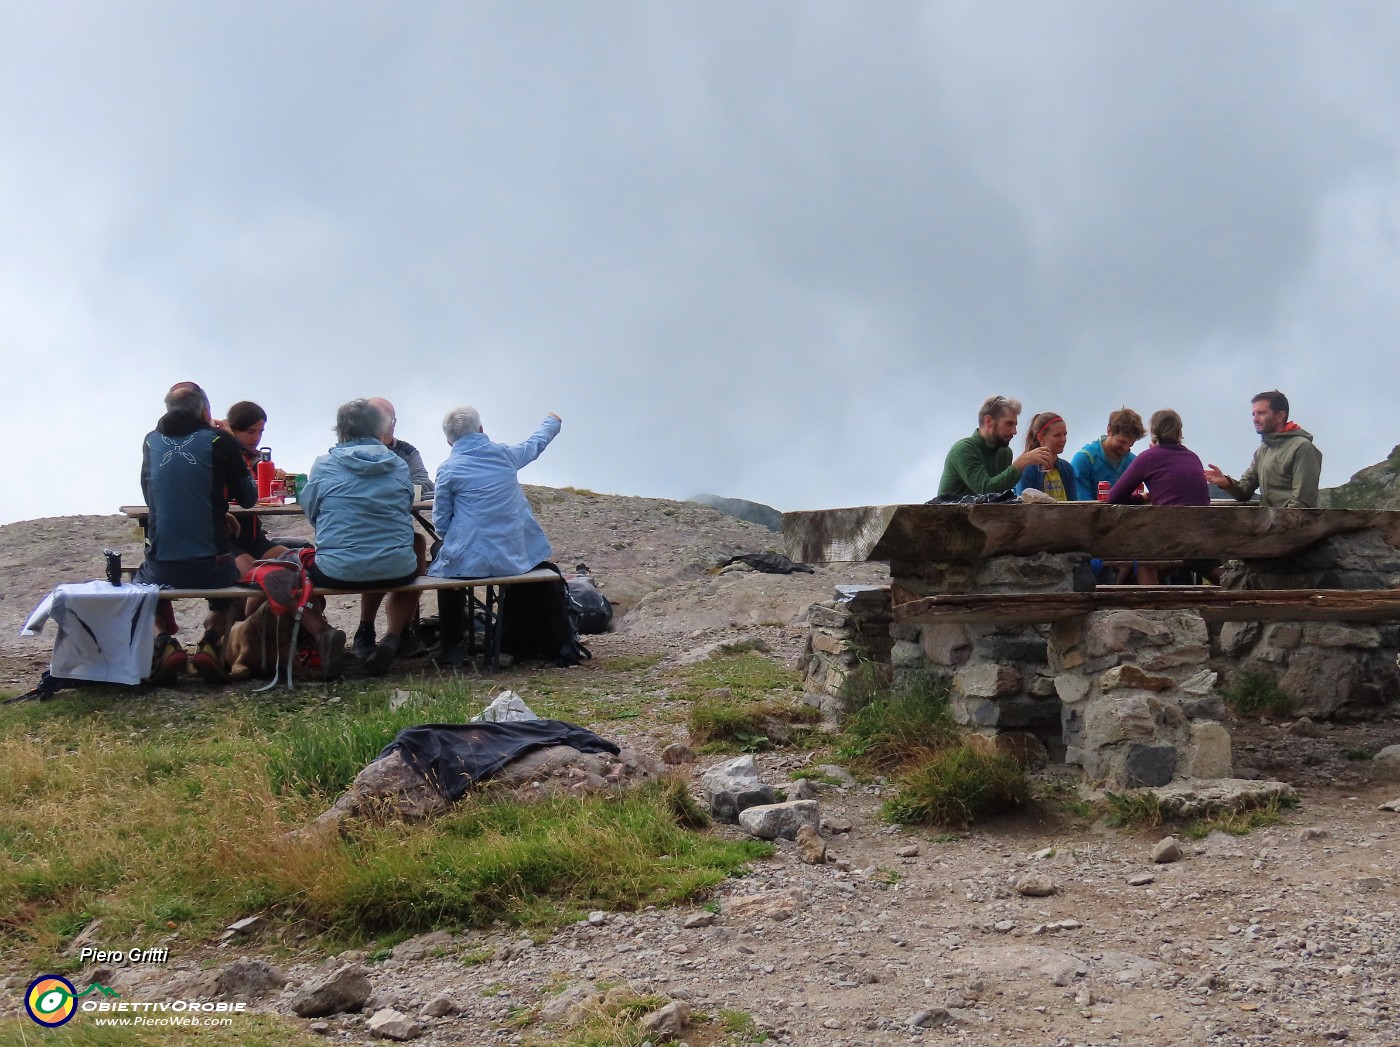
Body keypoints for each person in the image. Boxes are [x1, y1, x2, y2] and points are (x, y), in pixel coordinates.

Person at [136, 382, 257, 683]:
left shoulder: (151, 442)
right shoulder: (218, 441)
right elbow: (249, 497)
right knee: (229, 584)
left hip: (162, 565)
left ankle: (164, 642)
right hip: (211, 568)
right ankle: (210, 643)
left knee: (138, 586)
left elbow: (151, 497)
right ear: (205, 411)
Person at [427, 406, 561, 664]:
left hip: (469, 564)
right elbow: (535, 444)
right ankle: (510, 639)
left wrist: (455, 540)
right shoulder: (506, 455)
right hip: (513, 560)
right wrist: (552, 422)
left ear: (448, 441)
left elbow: (441, 521)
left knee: (440, 555)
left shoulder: (448, 469)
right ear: (481, 429)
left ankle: (452, 644)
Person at [300, 399, 425, 675]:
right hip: (397, 569)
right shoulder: (398, 464)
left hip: (337, 570)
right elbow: (406, 508)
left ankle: (322, 633)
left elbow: (312, 513)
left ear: (340, 430)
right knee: (410, 548)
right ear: (378, 428)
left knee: (289, 568)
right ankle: (393, 636)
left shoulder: (323, 466)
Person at [352, 396, 434, 659]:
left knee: (417, 544)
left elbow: (424, 482)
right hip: (361, 531)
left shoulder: (406, 450)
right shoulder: (350, 450)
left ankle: (400, 631)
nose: (391, 426)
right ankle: (366, 628)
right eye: (385, 420)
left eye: (393, 420)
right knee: (383, 548)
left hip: (394, 529)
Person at [1107, 409, 1219, 584]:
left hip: (1171, 534)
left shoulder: (1149, 457)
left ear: (1154, 432)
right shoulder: (1192, 457)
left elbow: (1113, 498)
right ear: (1179, 432)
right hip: (1203, 531)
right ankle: (1243, 589)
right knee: (1190, 559)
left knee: (1145, 561)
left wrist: (1142, 498)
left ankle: (1151, 608)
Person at [1204, 390, 1323, 508]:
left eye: (1261, 413)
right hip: (1268, 523)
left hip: (1292, 524)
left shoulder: (1302, 447)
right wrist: (1226, 482)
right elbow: (1244, 491)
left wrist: (1280, 525)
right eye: (1253, 414)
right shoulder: (1262, 451)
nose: (1255, 419)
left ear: (1280, 416)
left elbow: (1302, 502)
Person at [218, 401, 290, 575]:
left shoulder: (258, 461)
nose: (256, 438)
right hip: (226, 541)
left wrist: (281, 485)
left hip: (254, 538)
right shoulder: (219, 455)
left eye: (260, 432)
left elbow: (271, 497)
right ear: (233, 429)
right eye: (250, 431)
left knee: (298, 565)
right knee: (258, 575)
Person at [936, 396, 1053, 499]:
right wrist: (1021, 463)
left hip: (984, 519)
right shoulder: (963, 450)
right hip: (951, 519)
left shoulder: (1005, 453)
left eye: (1015, 425)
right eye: (1009, 424)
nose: (1014, 431)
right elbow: (986, 490)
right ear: (988, 421)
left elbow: (999, 494)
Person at [1070, 408, 1146, 501]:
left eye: (1131, 444)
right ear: (1109, 431)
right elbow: (1082, 504)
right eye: (1121, 442)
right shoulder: (1084, 459)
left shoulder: (1134, 462)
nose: (1126, 448)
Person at [1014, 412, 1079, 501]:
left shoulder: (1067, 468)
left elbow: (1074, 503)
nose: (1063, 439)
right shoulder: (1027, 468)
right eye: (1057, 435)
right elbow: (1023, 503)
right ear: (1041, 438)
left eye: (1065, 434)